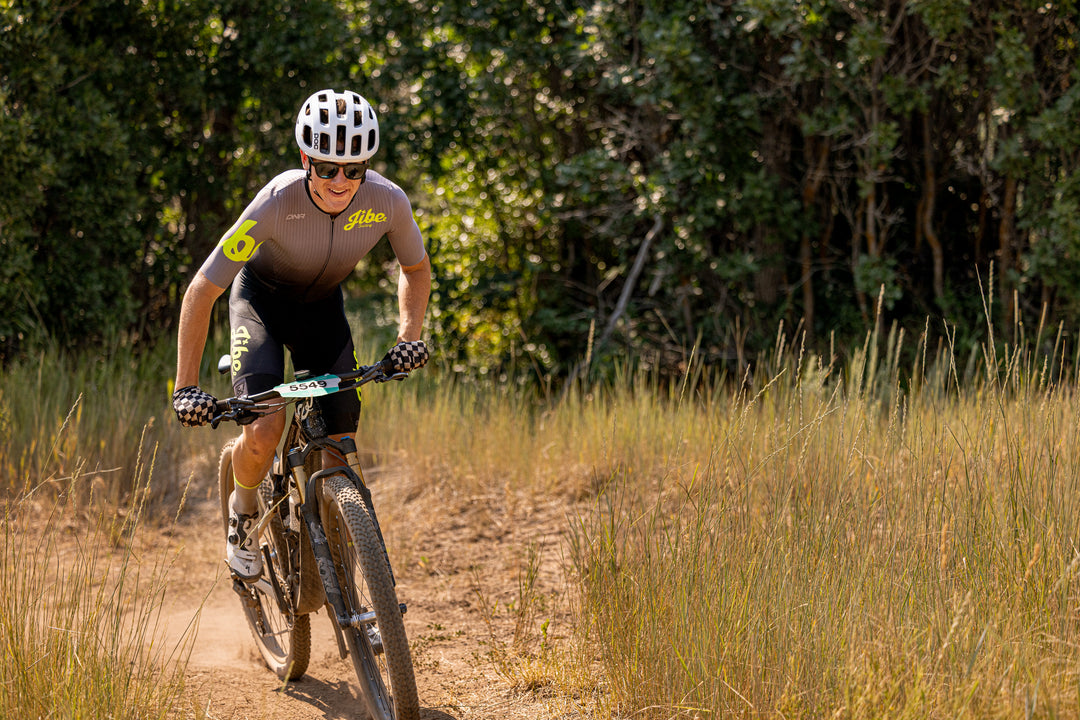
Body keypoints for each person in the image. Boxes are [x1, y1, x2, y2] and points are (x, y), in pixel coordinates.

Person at [171, 88, 431, 581]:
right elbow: (202, 290)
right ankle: (243, 511)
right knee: (265, 429)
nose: (341, 180)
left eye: (354, 169)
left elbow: (416, 269)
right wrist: (185, 387)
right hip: (261, 307)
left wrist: (407, 337)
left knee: (340, 441)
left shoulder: (388, 201)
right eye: (328, 167)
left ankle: (341, 569)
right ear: (305, 159)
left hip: (321, 313)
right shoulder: (275, 201)